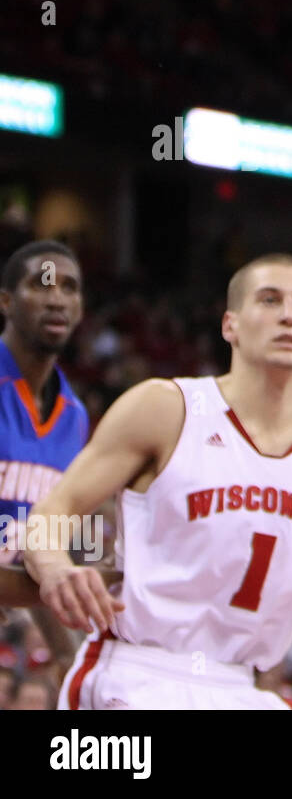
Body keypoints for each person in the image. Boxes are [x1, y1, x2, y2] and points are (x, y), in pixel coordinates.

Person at [24, 254, 292, 709]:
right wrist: (56, 568)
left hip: (241, 688)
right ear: (230, 325)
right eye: (270, 299)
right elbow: (49, 513)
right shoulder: (166, 408)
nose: (287, 315)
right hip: (139, 673)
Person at [0, 240, 90, 682]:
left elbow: (45, 553)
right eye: (42, 284)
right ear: (5, 301)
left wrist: (66, 658)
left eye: (70, 288)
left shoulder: (75, 417)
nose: (57, 298)